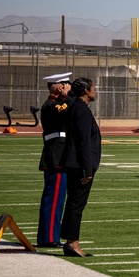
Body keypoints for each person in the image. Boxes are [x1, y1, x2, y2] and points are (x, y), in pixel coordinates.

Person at [61, 77, 101, 257]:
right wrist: (88, 168)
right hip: (80, 165)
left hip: (74, 163)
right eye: (93, 88)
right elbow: (83, 142)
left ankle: (70, 241)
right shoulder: (81, 110)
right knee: (77, 205)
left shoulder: (75, 106)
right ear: (86, 90)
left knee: (73, 204)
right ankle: (72, 243)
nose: (95, 90)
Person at [37, 72, 73, 247]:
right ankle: (49, 238)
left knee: (56, 200)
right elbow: (65, 109)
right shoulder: (52, 105)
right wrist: (69, 97)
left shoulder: (56, 104)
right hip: (56, 157)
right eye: (66, 85)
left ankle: (49, 236)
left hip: (59, 157)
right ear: (60, 87)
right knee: (54, 200)